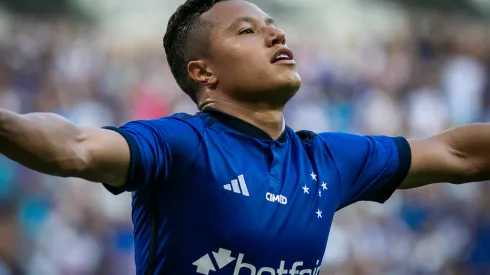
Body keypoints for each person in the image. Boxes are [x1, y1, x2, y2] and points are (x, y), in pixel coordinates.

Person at [1, 0, 490, 274]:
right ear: (203, 72)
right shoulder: (182, 146)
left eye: (274, 28)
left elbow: (454, 153)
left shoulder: (327, 159)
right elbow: (75, 148)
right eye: (247, 31)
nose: (277, 37)